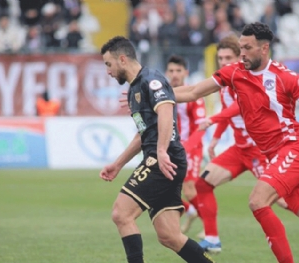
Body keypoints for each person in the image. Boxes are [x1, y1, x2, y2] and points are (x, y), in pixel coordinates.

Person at [173, 23, 299, 262]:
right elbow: (193, 92)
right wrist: (155, 91)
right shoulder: (234, 72)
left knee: (257, 201)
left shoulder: (285, 77)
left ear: (264, 48)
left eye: (247, 48)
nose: (242, 53)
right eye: (240, 47)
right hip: (275, 155)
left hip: (295, 149)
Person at [99, 36, 215, 263]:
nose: (108, 71)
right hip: (165, 158)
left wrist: (161, 151)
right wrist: (118, 163)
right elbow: (143, 134)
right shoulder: (134, 90)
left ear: (122, 59)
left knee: (121, 214)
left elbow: (166, 111)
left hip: (164, 159)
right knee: (170, 235)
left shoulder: (151, 80)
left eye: (108, 64)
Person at [186, 34, 287, 254]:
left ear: (239, 57)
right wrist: (215, 138)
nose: (223, 62)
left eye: (228, 57)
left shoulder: (244, 79)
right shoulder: (223, 83)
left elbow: (239, 108)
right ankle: (212, 239)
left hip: (259, 150)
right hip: (239, 150)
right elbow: (228, 113)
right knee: (202, 184)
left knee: (283, 200)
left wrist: (212, 120)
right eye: (220, 58)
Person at [165, 55, 206, 234]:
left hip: (191, 148)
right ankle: (190, 210)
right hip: (170, 148)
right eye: (171, 71)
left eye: (178, 71)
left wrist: (188, 147)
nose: (174, 74)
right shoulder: (164, 93)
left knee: (189, 188)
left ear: (186, 72)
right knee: (162, 188)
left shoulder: (193, 95)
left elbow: (201, 126)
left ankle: (209, 228)